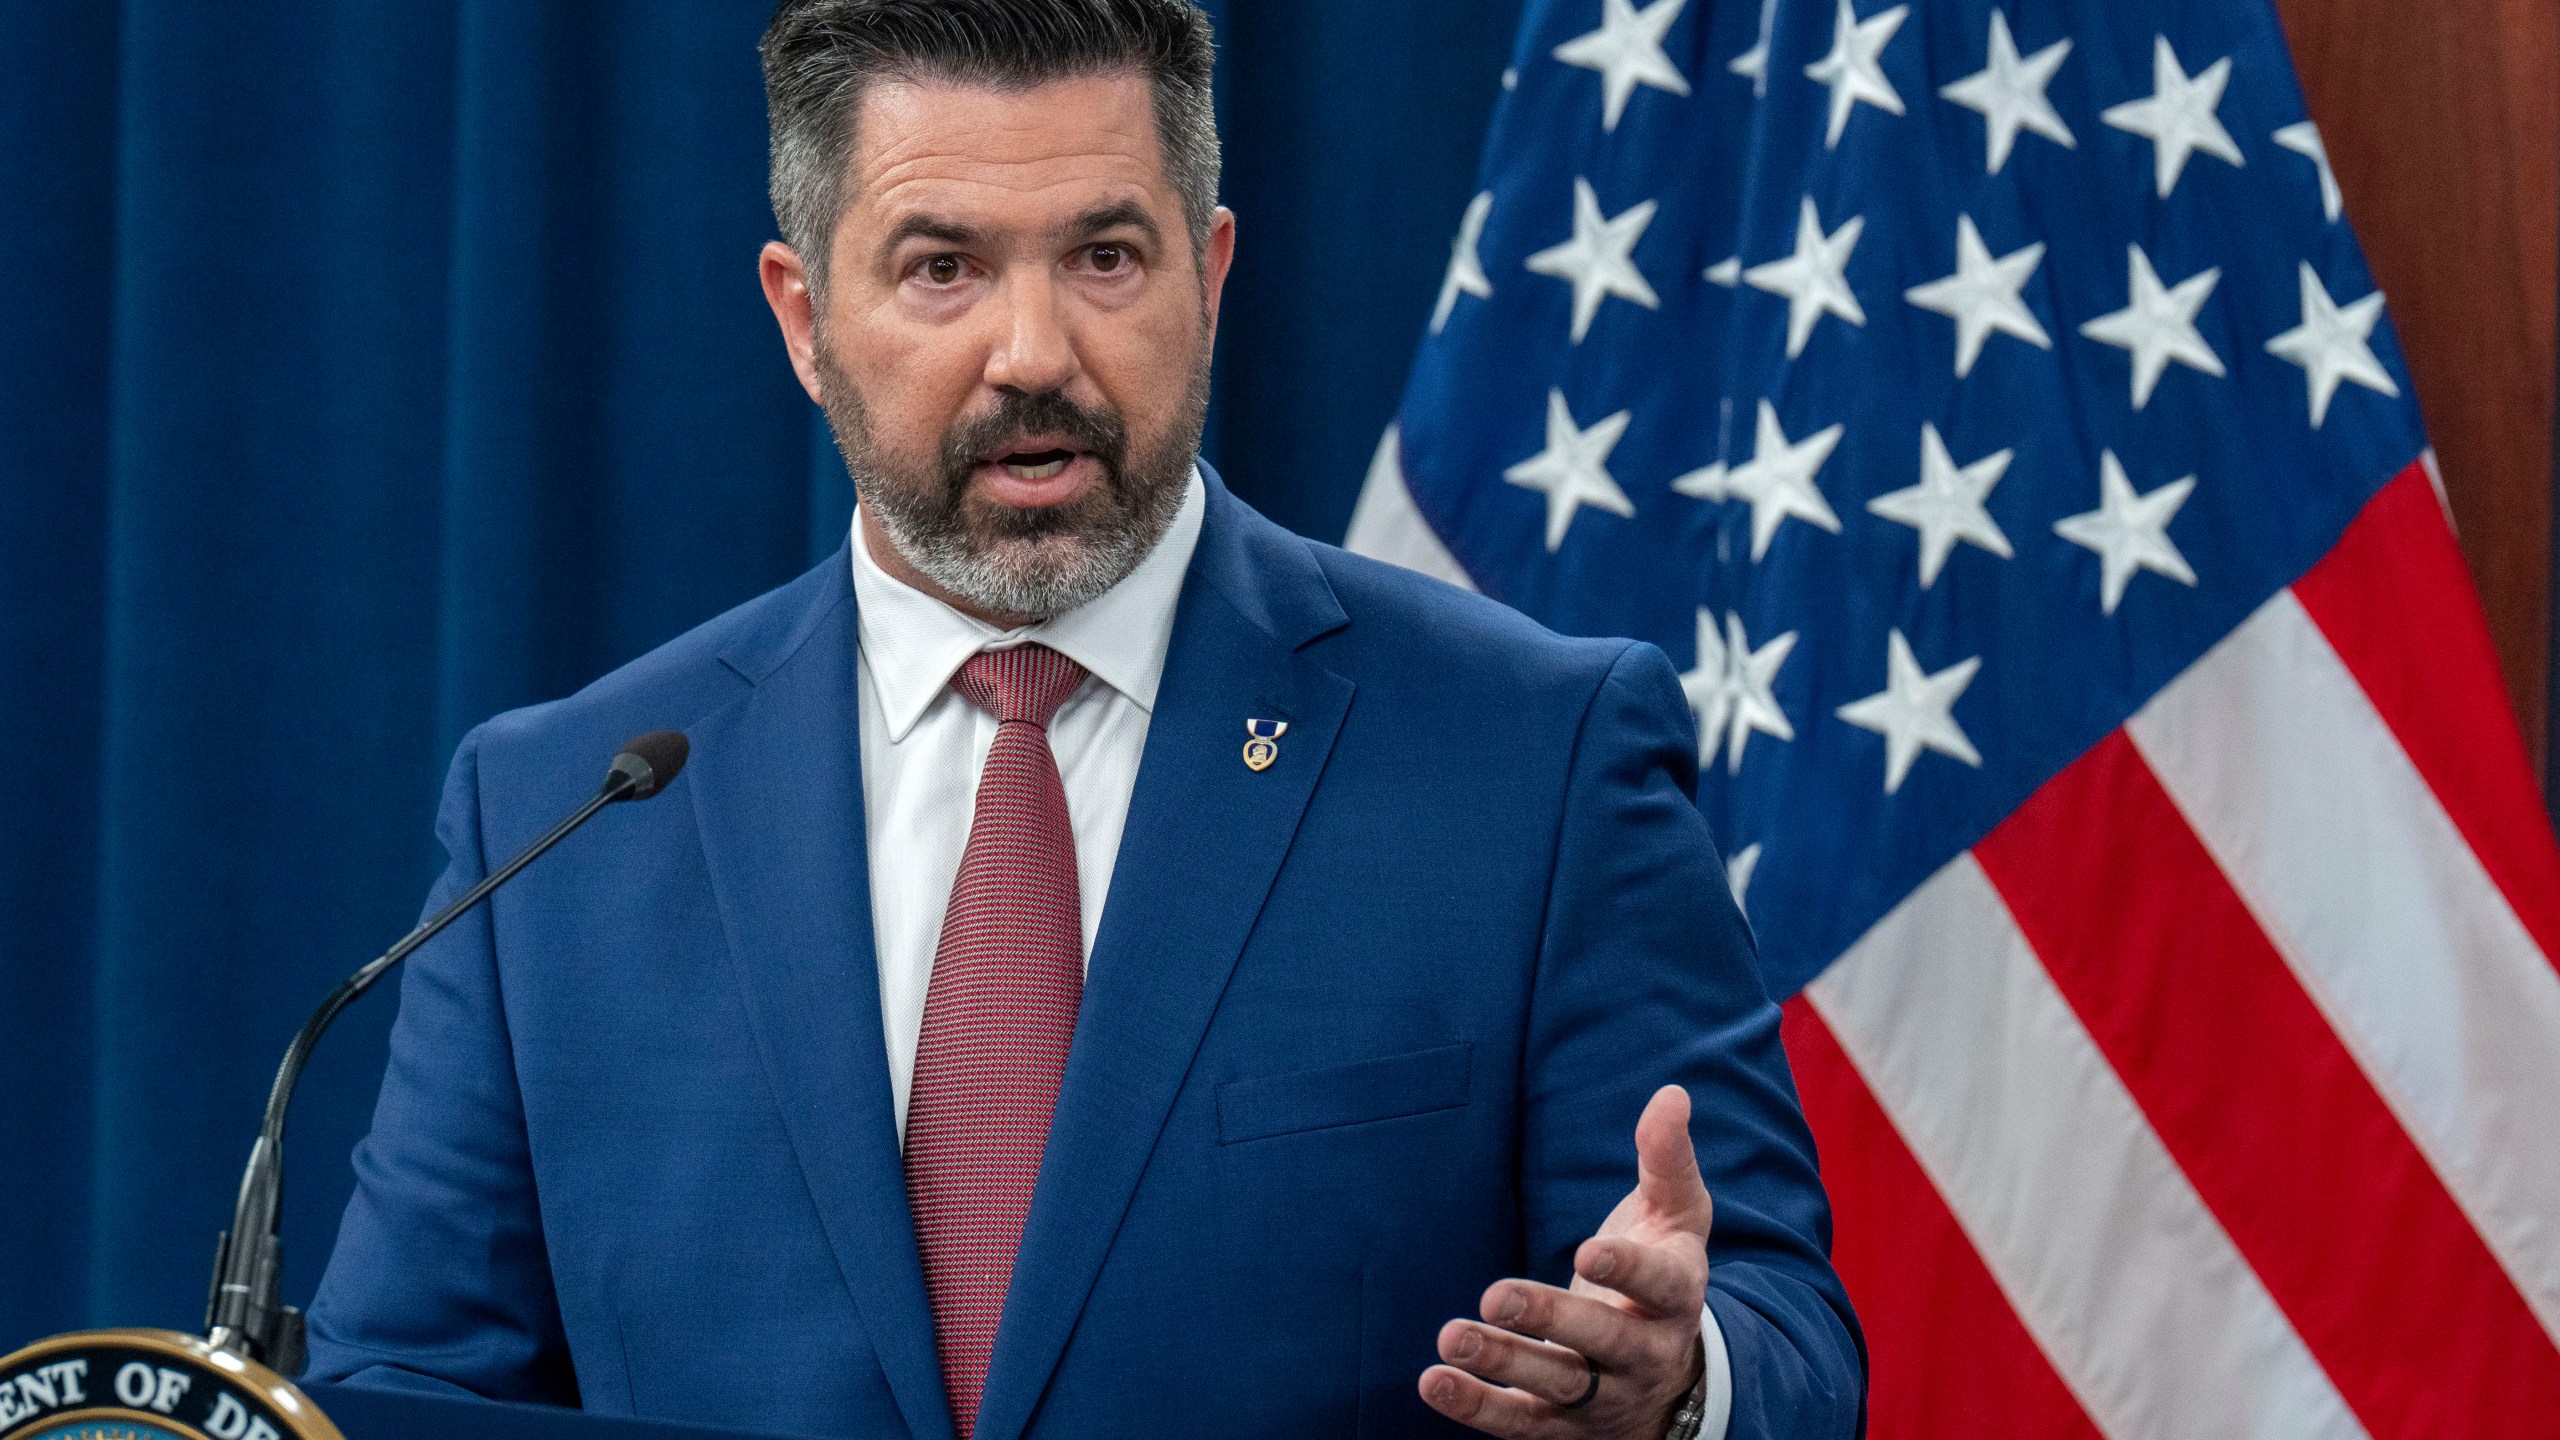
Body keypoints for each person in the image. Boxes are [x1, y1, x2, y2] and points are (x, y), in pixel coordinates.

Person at [301, 3, 1863, 1437]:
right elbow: (397, 1391)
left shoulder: (1539, 758)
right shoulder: (566, 815)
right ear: (801, 316)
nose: (1034, 353)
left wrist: (1682, 1387)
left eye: (1107, 256)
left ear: (1213, 271)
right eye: (941, 267)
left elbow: (1785, 1332)